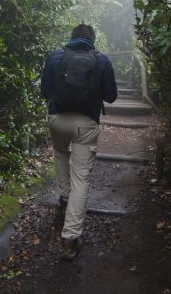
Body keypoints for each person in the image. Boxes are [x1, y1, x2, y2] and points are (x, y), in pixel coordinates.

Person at [40, 23, 117, 260]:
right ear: (92, 40)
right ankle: (70, 239)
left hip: (58, 119)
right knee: (81, 177)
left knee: (61, 153)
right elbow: (111, 96)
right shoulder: (102, 60)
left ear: (72, 38)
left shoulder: (55, 56)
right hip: (86, 124)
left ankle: (64, 198)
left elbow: (45, 91)